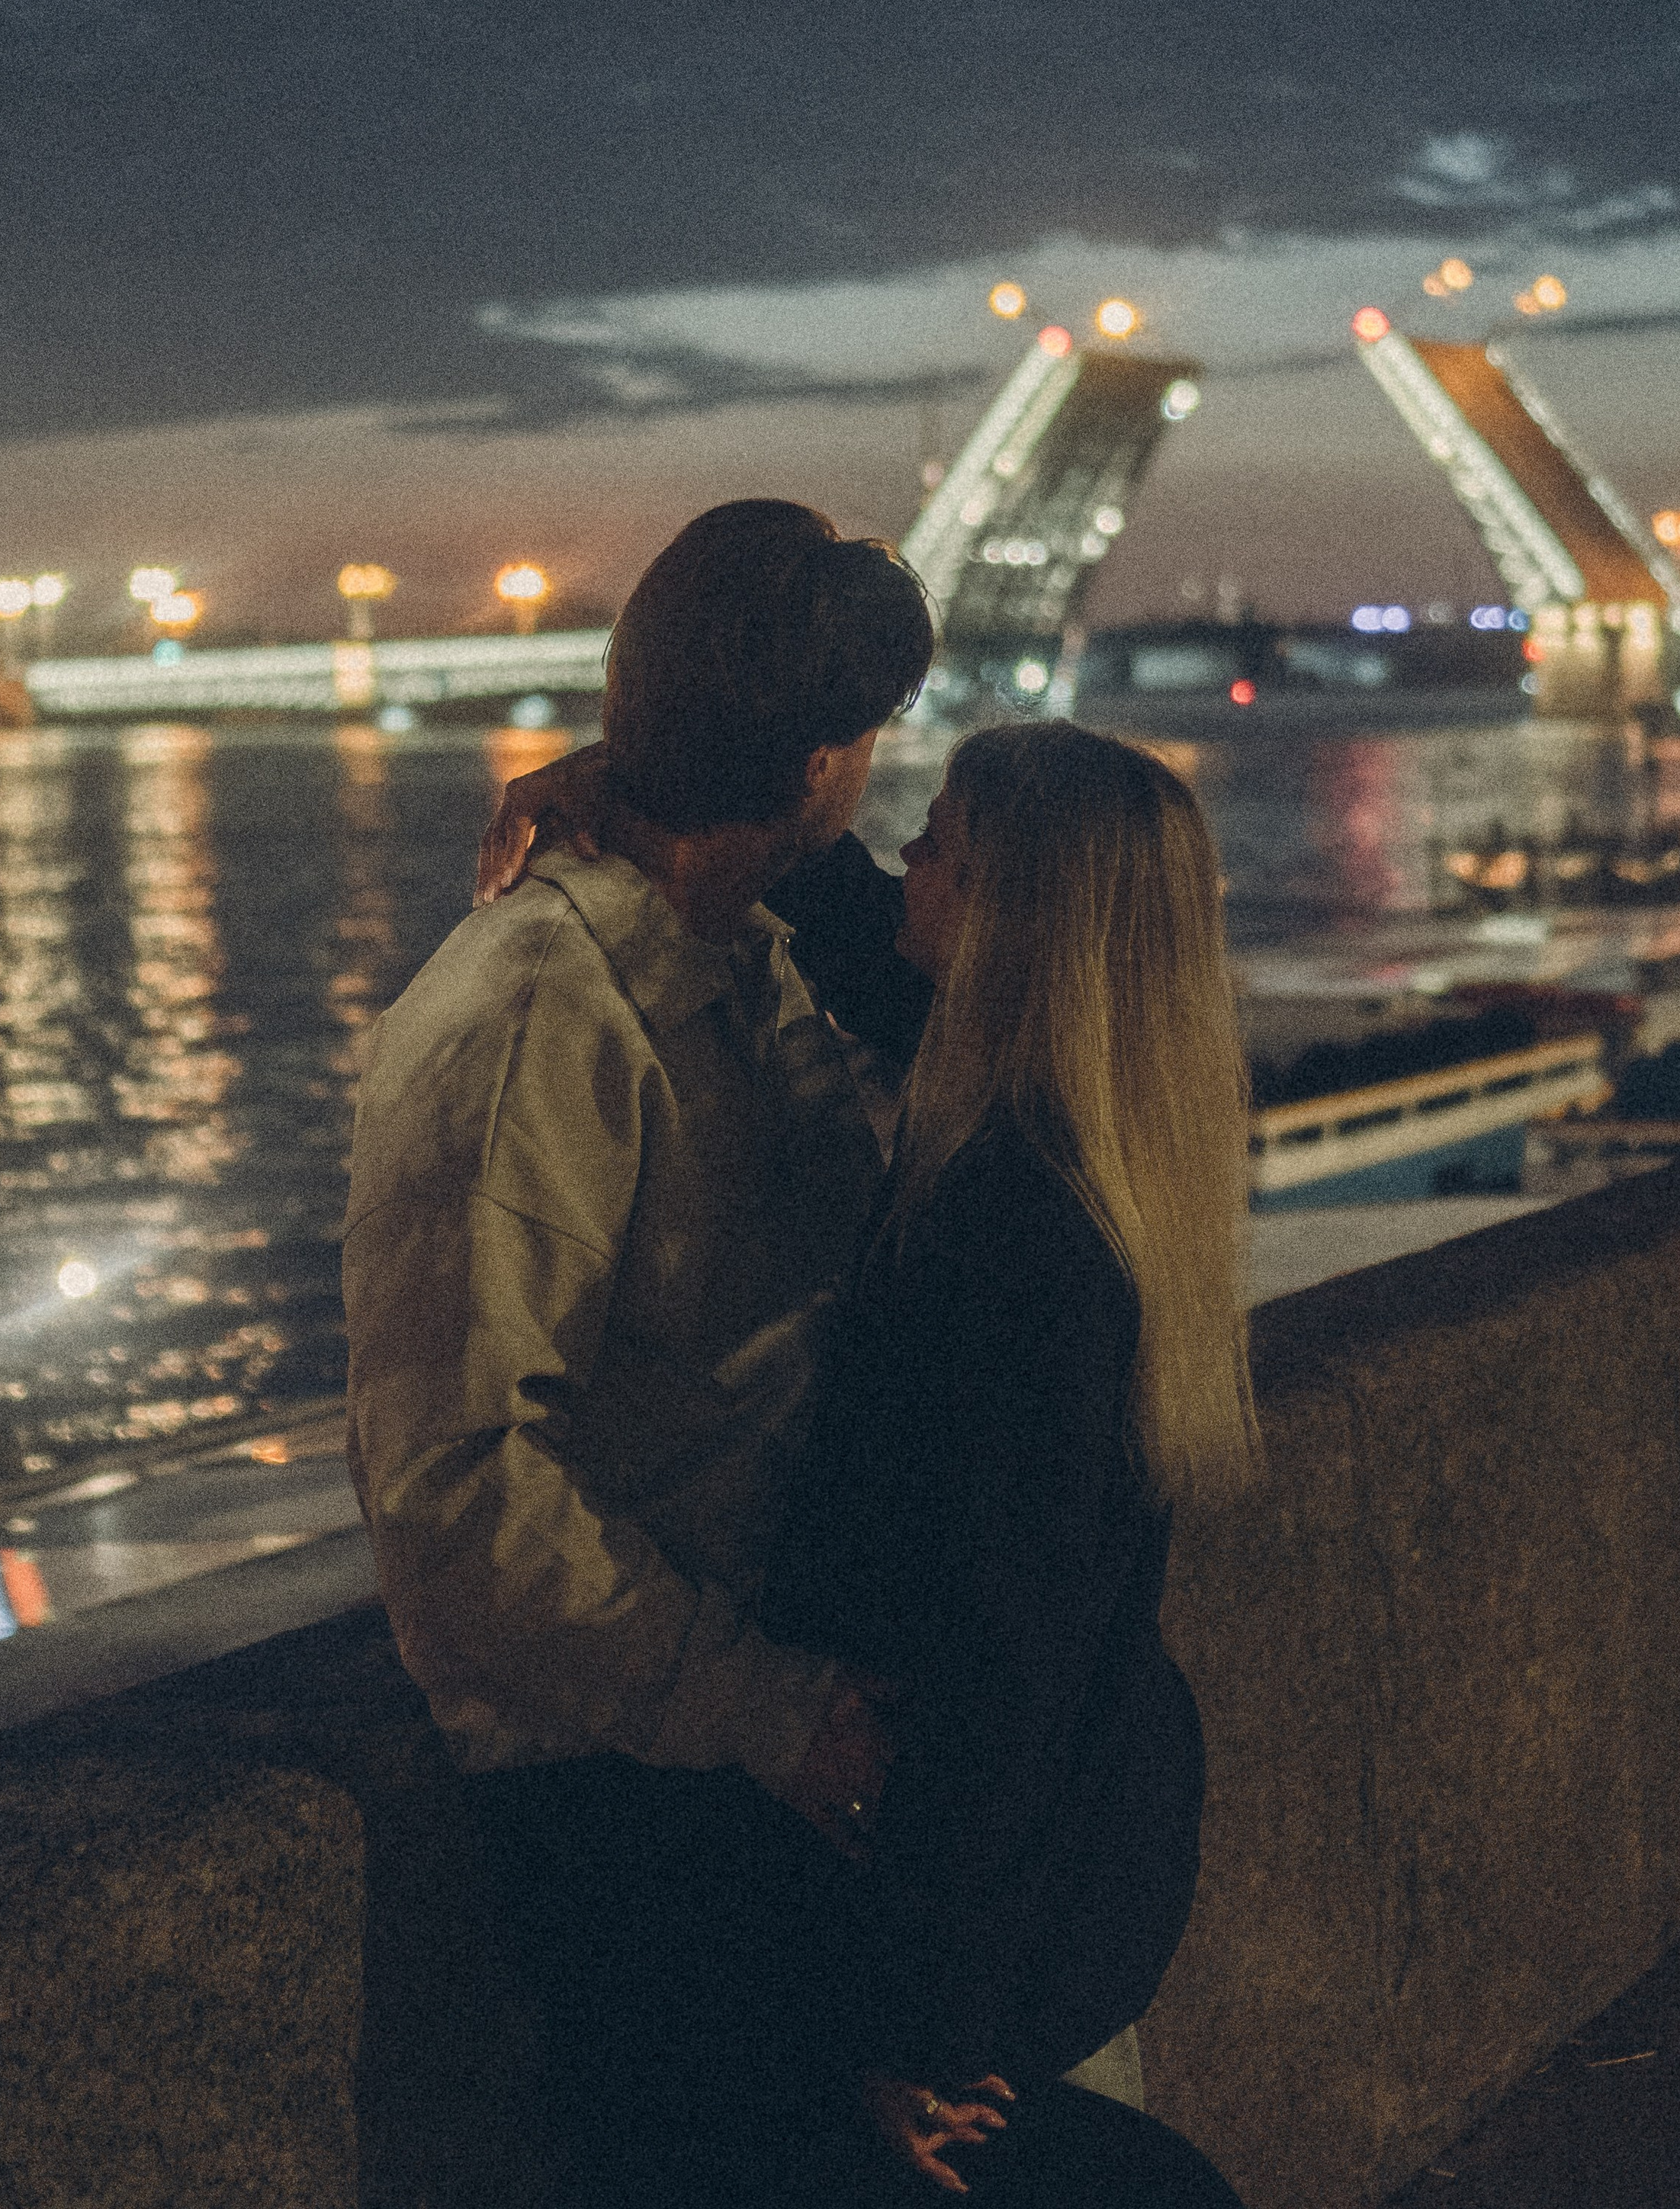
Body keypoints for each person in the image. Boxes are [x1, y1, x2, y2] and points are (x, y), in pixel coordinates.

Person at [480, 716, 1259, 2205]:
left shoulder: (1016, 1240)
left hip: (971, 1906)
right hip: (1082, 1846)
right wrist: (661, 783)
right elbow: (853, 926)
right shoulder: (1074, 1133)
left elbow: (999, 1670)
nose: (906, 853)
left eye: (940, 846)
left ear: (1010, 920)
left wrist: (925, 2030)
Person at [342, 500, 941, 2191]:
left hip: (740, 1728)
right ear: (826, 762)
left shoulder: (728, 948)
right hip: (631, 1790)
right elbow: (454, 1487)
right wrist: (772, 1714)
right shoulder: (537, 1008)